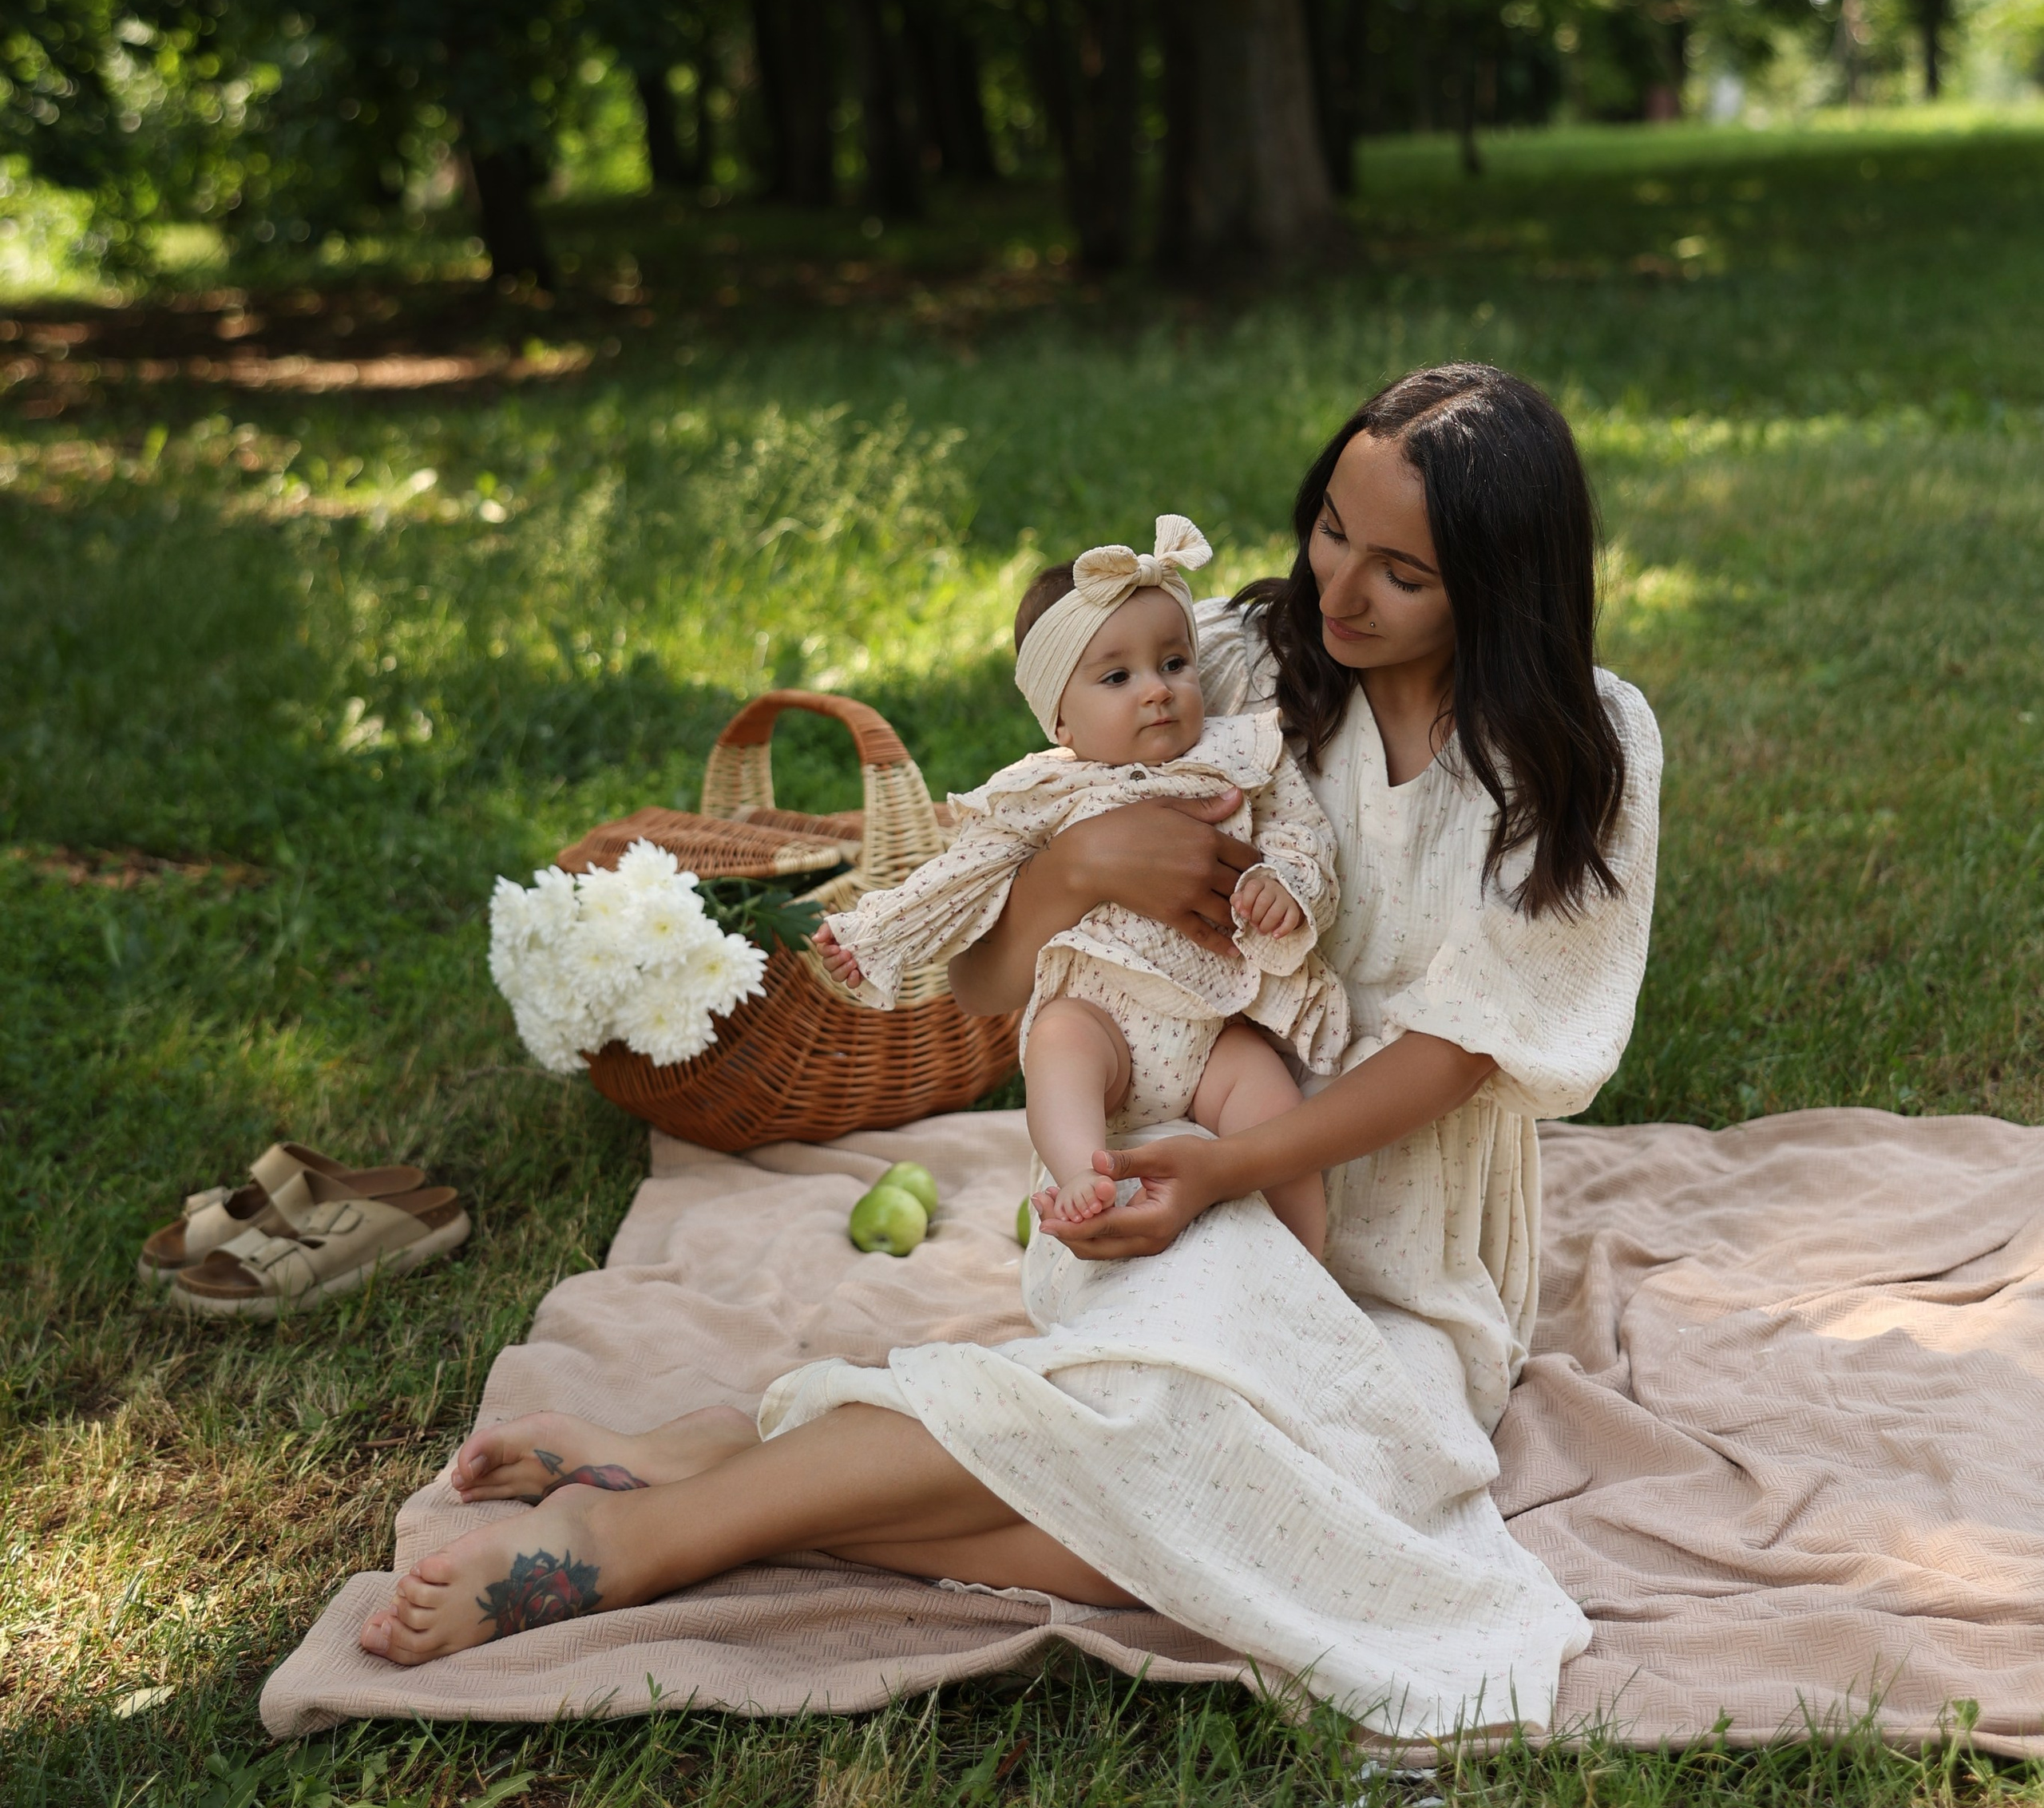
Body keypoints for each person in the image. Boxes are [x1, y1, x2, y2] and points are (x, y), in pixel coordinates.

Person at [361, 363, 1661, 1737]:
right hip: (1163, 1160)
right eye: (1331, 528)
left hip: (1399, 1241)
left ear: (1501, 586)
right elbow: (993, 982)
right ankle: (634, 1546)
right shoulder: (1207, 661)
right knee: (1180, 1480)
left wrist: (1237, 1171)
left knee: (1268, 1527)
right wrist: (1081, 867)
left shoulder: (1582, 747)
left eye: (1400, 573)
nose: (1339, 590)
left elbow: (1458, 1053)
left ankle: (737, 1466)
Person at [809, 512, 1345, 1248]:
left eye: (1175, 664)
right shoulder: (1044, 791)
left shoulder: (1242, 753)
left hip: (1217, 1024)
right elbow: (959, 876)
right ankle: (1081, 1175)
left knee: (1273, 1110)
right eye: (1118, 677)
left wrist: (1286, 882)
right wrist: (877, 931)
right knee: (1058, 1044)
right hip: (1102, 1019)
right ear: (1059, 718)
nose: (1156, 691)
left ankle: (1307, 1261)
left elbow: (1301, 833)